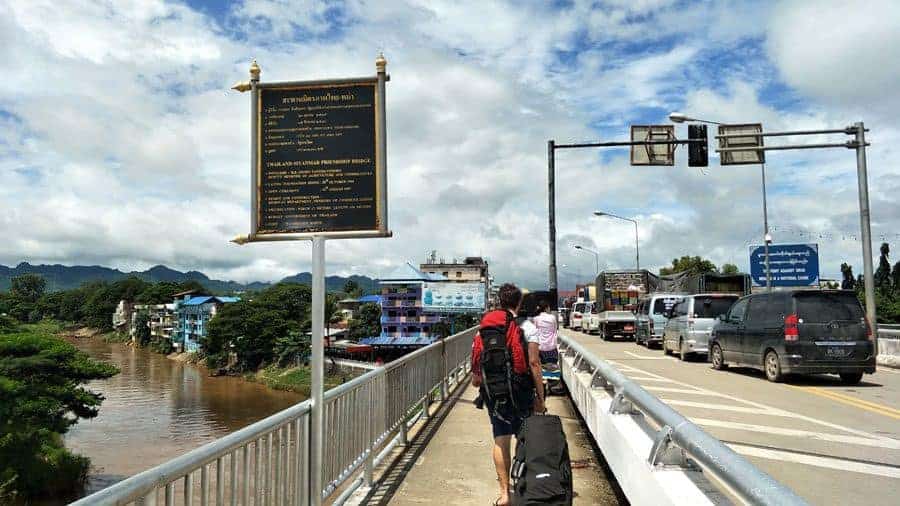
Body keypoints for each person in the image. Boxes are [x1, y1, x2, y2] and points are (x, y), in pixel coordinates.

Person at [471, 283, 545, 506]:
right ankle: (526, 486)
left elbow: (476, 371)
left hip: (495, 393)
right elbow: (534, 363)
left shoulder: (484, 329)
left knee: (500, 440)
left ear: (500, 302)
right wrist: (540, 397)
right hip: (521, 392)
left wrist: (482, 382)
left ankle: (504, 494)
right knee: (526, 439)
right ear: (519, 303)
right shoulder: (528, 328)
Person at [533, 301, 559, 366]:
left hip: (541, 348)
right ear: (546, 308)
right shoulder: (552, 317)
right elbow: (555, 330)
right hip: (552, 348)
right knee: (553, 369)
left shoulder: (536, 319)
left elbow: (535, 333)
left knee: (543, 369)